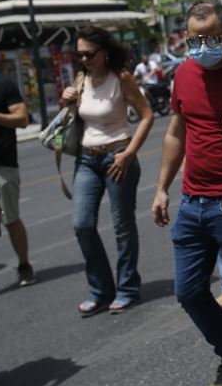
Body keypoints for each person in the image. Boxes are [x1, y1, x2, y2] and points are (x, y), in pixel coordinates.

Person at [150, 1, 222, 386]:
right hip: (192, 201)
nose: (201, 46)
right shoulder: (182, 74)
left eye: (210, 38)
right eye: (193, 39)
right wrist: (161, 189)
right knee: (188, 291)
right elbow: (175, 133)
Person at [59, 27, 154, 316]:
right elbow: (75, 118)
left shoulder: (121, 78)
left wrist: (129, 153)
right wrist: (67, 101)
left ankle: (127, 288)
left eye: (89, 53)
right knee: (82, 224)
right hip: (86, 159)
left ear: (105, 52)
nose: (84, 58)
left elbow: (147, 115)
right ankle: (101, 290)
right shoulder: (80, 79)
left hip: (117, 156)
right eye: (79, 54)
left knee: (122, 226)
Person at [0, 69, 34, 298]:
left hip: (2, 163)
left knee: (10, 218)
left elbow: (22, 119)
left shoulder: (3, 84)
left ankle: (24, 264)